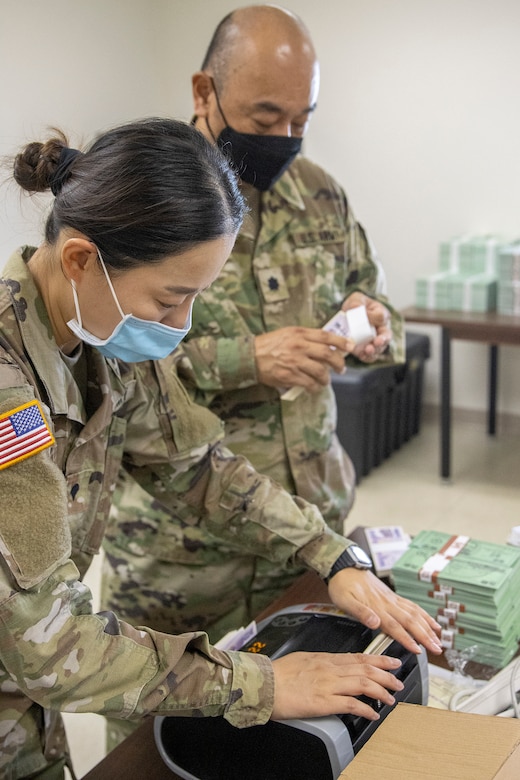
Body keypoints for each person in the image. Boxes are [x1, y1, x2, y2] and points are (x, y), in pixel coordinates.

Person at [0, 118, 418, 780]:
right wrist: (263, 685)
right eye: (171, 299)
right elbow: (50, 649)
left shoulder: (99, 332)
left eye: (197, 297)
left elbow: (198, 470)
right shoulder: (8, 389)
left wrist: (331, 555)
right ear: (82, 260)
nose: (180, 327)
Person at [102, 5, 408, 648]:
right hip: (184, 554)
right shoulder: (145, 200)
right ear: (203, 92)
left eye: (302, 120)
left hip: (308, 528)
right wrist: (246, 358)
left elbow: (375, 296)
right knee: (161, 736)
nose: (286, 136)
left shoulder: (322, 195)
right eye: (266, 118)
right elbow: (110, 362)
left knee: (295, 725)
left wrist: (376, 323)